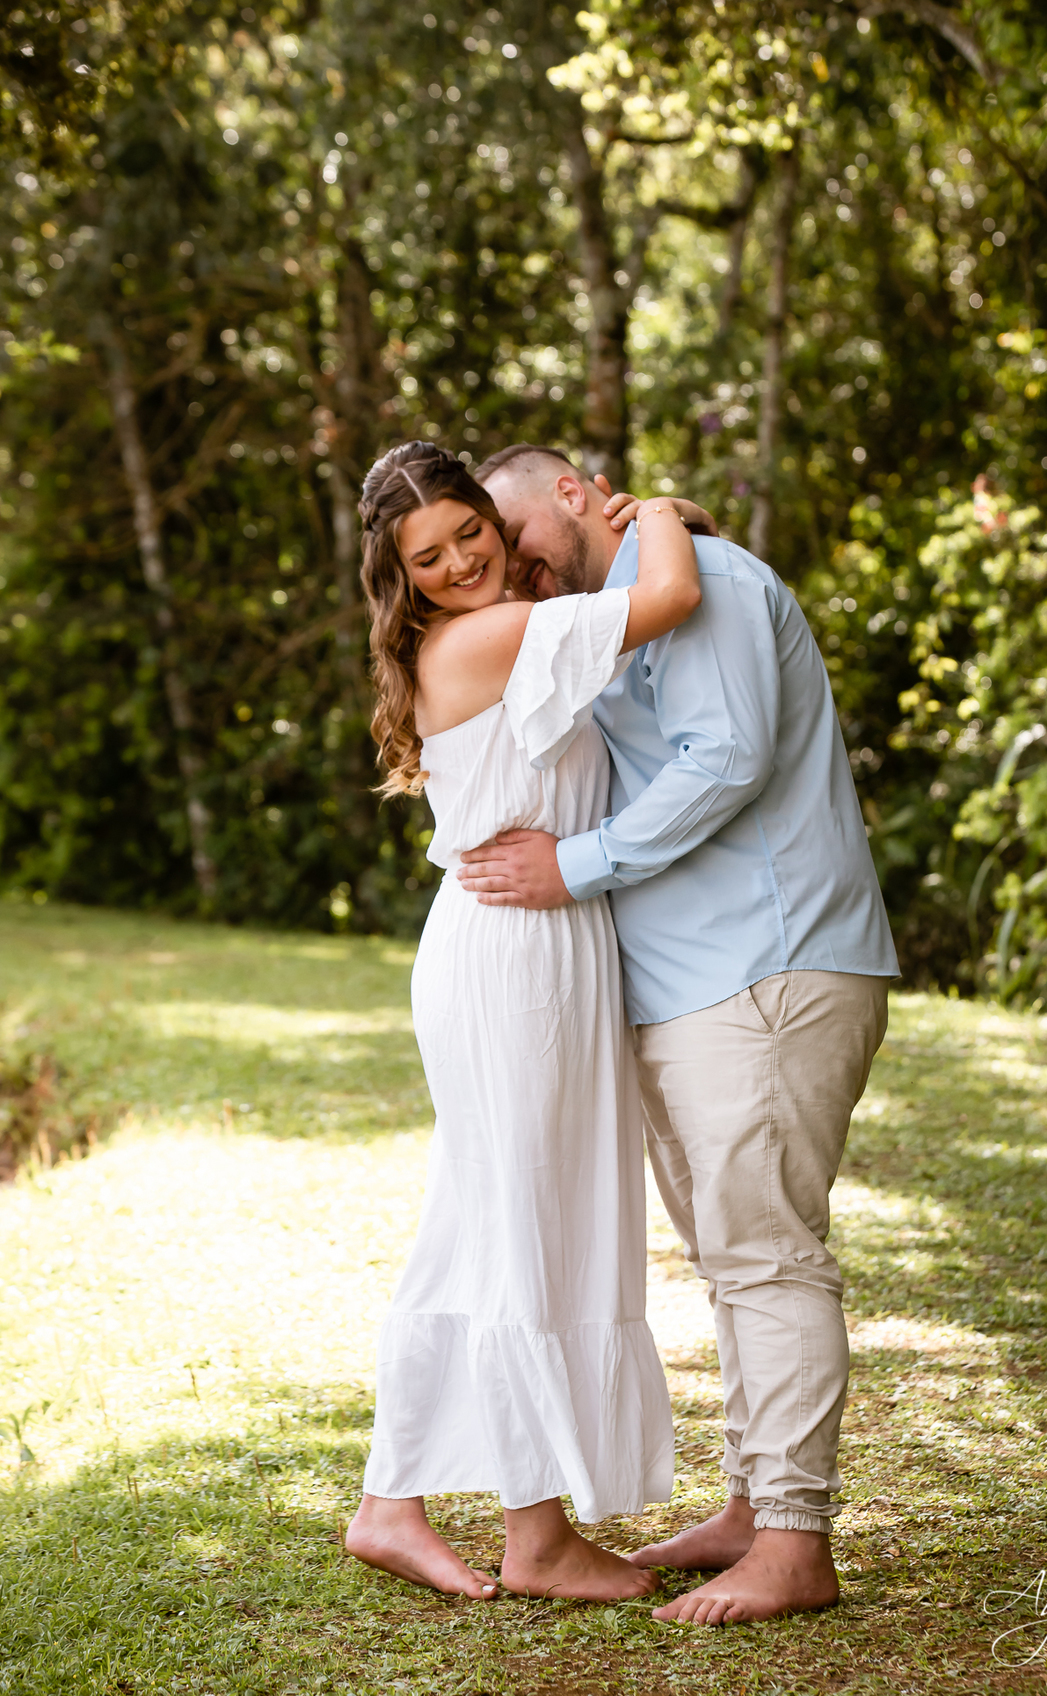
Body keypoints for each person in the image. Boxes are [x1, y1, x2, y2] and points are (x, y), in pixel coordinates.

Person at [459, 444, 901, 1626]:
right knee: (733, 1262)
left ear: (574, 490)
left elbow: (728, 757)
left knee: (767, 1259)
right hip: (695, 988)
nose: (510, 566)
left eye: (513, 535)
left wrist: (576, 867)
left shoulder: (701, 577)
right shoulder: (611, 614)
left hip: (769, 966)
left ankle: (797, 1542)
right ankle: (755, 1510)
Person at [344, 440, 702, 1603]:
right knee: (521, 1229)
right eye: (427, 558)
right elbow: (671, 594)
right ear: (400, 576)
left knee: (489, 1220)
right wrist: (656, 511)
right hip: (512, 957)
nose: (457, 563)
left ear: (491, 522)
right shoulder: (491, 637)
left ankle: (391, 1504)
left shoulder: (500, 630)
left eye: (467, 535)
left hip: (529, 944)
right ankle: (533, 1534)